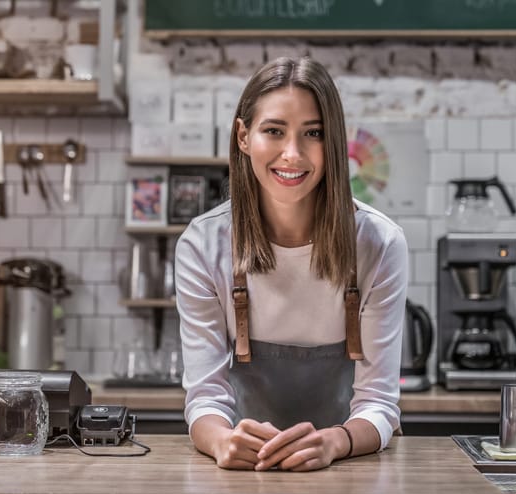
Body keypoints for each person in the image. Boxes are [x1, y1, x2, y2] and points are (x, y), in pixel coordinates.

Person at [174, 56, 408, 472]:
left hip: (350, 468)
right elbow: (205, 399)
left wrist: (336, 442)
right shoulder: (203, 245)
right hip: (248, 472)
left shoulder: (379, 243)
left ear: (334, 140)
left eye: (313, 133)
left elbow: (379, 404)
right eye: (274, 131)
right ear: (243, 136)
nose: (292, 154)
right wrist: (223, 441)